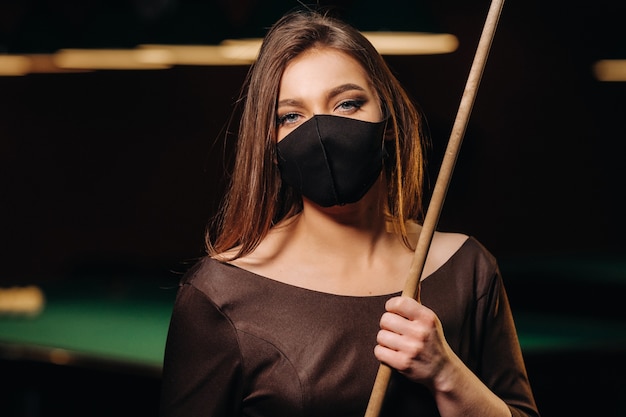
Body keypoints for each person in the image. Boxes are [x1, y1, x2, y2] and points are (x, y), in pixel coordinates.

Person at [159, 8, 539, 417]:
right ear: (270, 144)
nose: (321, 131)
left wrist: (446, 374)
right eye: (291, 116)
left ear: (387, 120)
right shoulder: (220, 293)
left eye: (346, 104)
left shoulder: (468, 268)